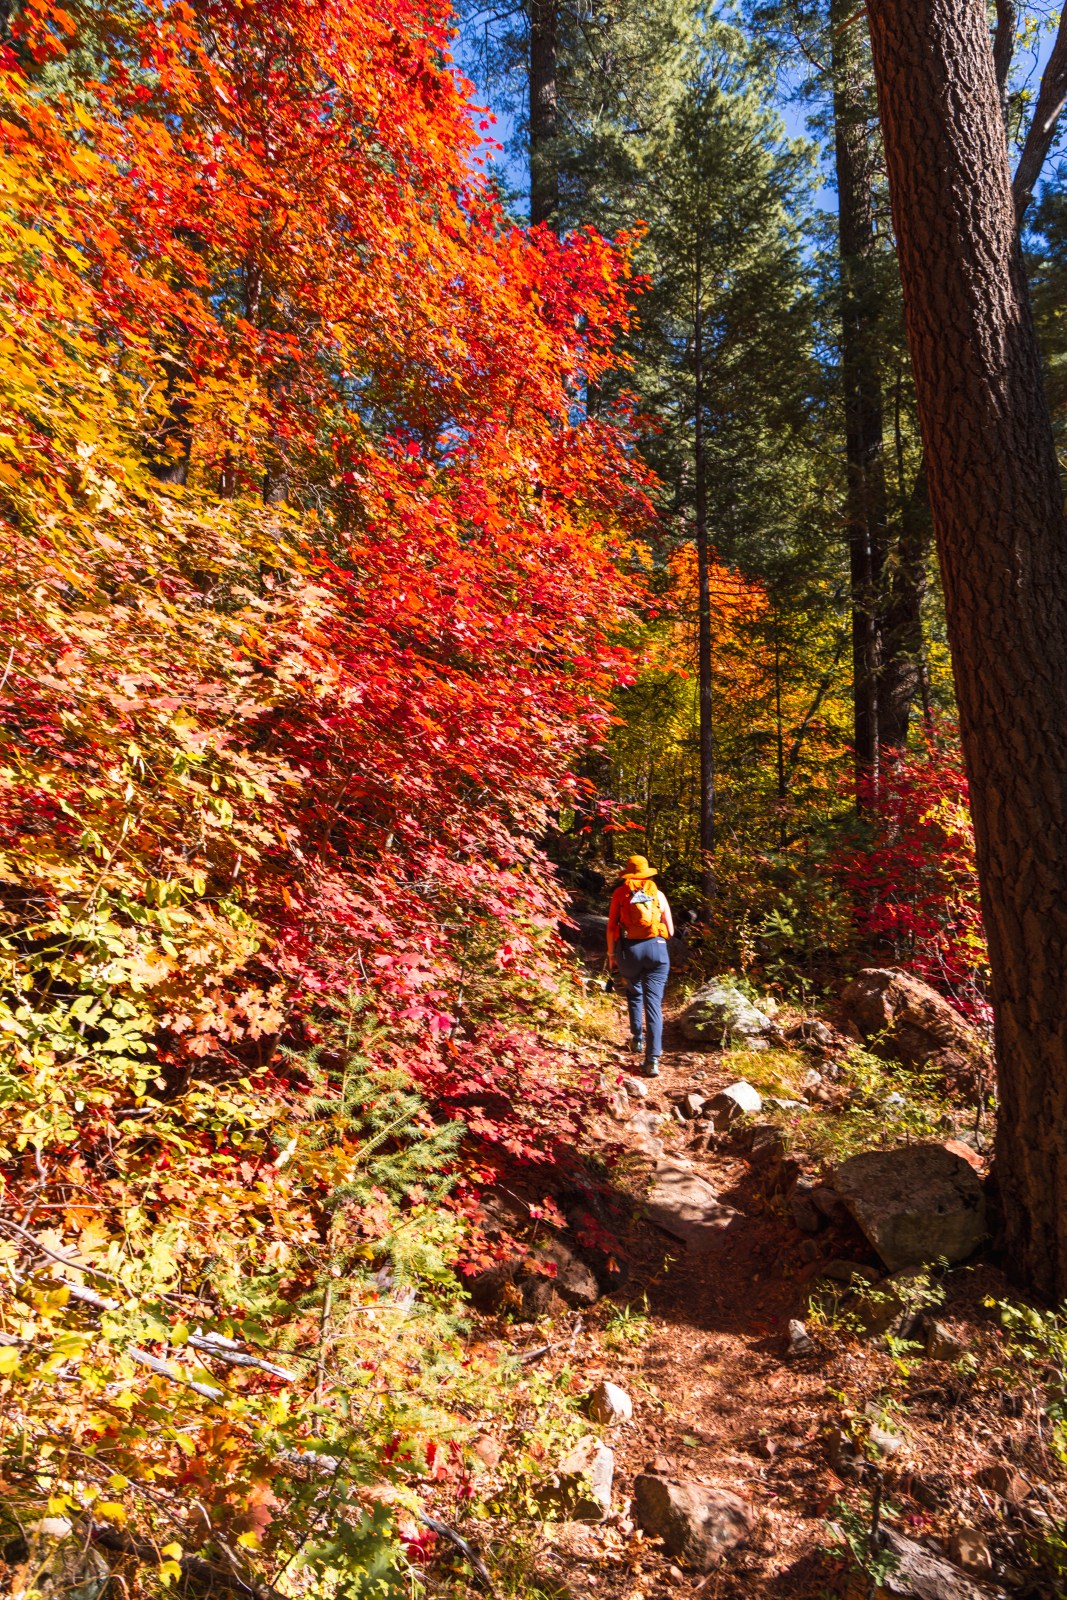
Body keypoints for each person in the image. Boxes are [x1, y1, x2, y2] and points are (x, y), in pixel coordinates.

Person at [606, 854, 674, 1077]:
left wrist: (611, 954)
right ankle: (652, 1060)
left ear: (628, 872)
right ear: (647, 873)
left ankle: (637, 1038)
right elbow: (671, 932)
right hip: (656, 949)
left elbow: (610, 927)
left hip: (629, 951)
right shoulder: (658, 895)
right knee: (654, 1004)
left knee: (634, 993)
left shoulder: (620, 893)